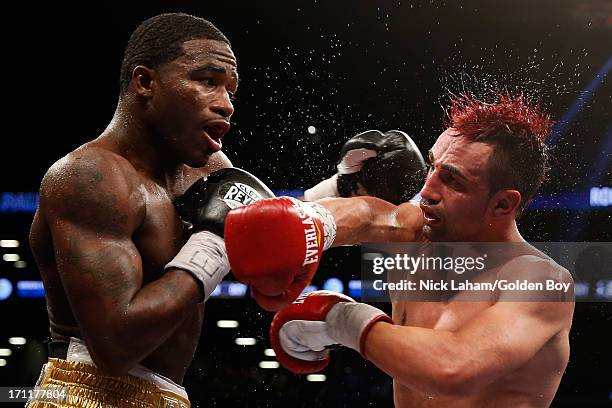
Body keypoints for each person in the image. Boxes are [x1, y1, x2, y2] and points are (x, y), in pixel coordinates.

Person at [269, 93, 575, 407]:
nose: (426, 189)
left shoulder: (541, 281)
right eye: (431, 167)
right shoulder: (417, 238)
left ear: (502, 203)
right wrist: (332, 196)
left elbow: (454, 368)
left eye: (452, 180)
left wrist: (340, 320)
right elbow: (369, 217)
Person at [28, 13, 246, 407]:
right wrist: (215, 242)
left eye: (230, 90)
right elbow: (117, 345)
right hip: (87, 392)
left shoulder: (211, 172)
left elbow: (270, 258)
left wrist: (344, 187)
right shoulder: (90, 176)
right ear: (145, 82)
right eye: (208, 81)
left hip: (170, 395)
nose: (226, 104)